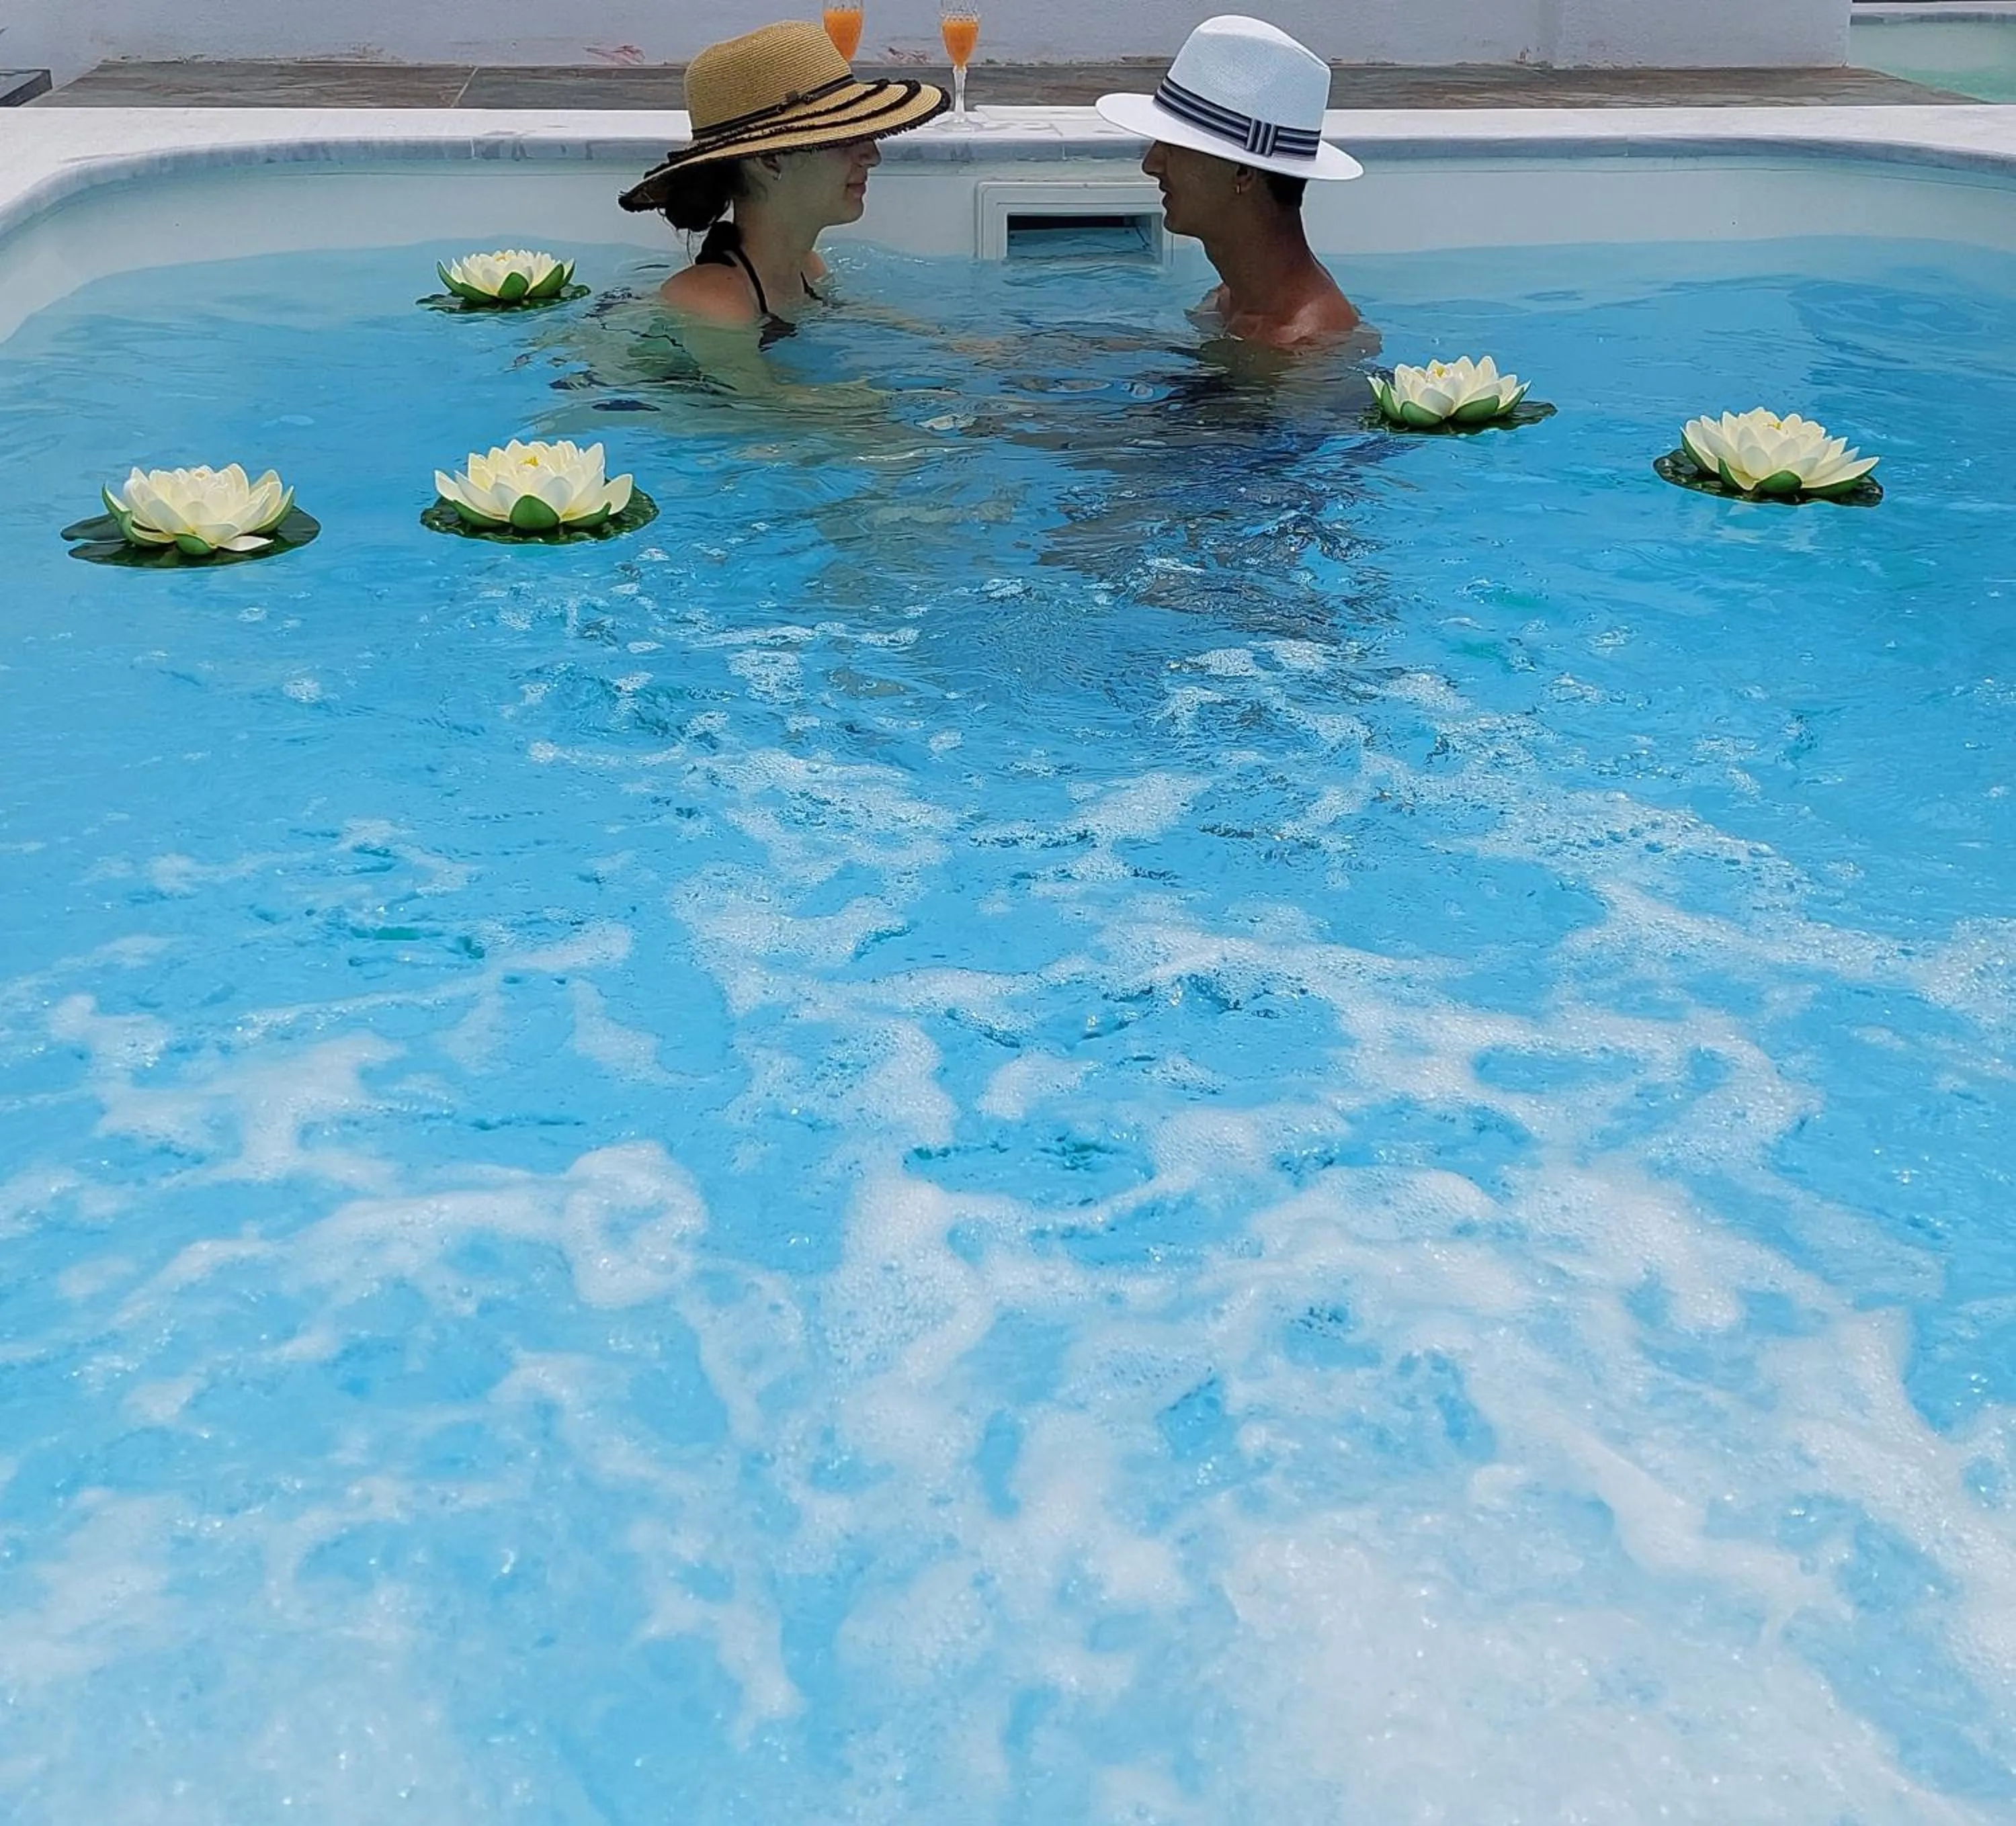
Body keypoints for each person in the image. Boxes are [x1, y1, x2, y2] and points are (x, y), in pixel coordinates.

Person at [620, 21, 948, 343]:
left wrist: (949, 342)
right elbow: (762, 397)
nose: (872, 156)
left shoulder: (808, 268)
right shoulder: (710, 300)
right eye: (842, 138)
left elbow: (848, 314)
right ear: (770, 160)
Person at [1097, 16, 1369, 352]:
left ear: (1243, 173)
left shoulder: (1307, 349)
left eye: (1174, 148)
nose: (1151, 165)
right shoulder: (1226, 301)